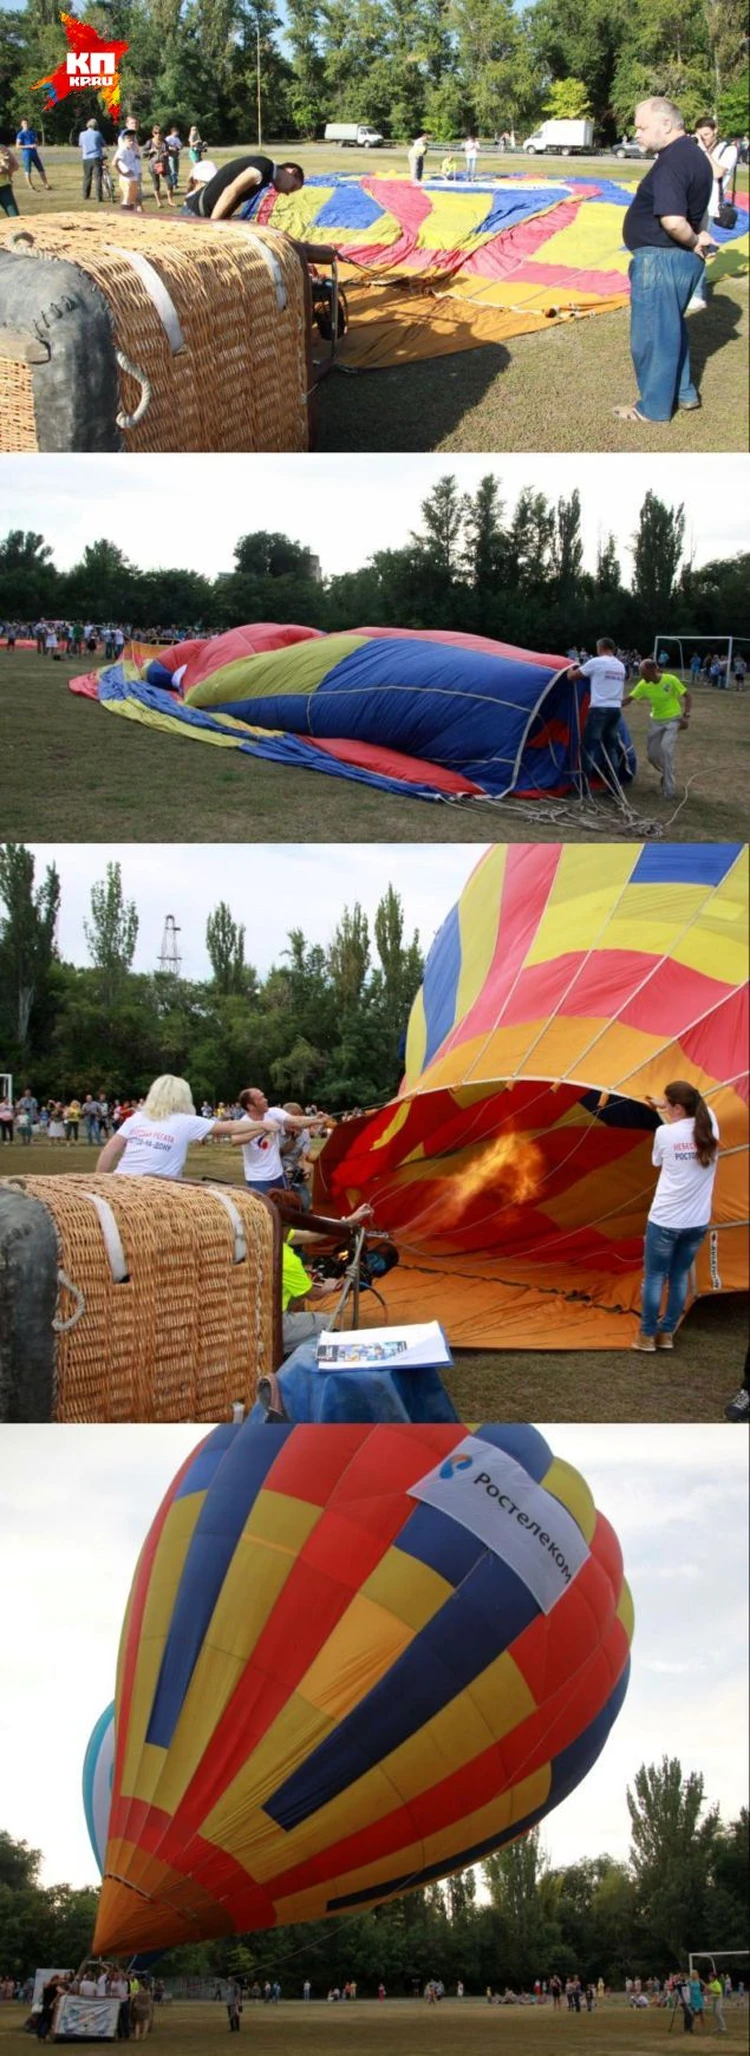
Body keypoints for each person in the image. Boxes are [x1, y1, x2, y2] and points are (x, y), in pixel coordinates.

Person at [617, 97, 714, 423]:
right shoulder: (696, 157)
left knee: (652, 337)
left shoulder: (673, 161)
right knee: (672, 329)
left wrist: (694, 241)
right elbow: (697, 211)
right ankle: (684, 393)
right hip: (677, 261)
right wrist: (697, 240)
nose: (637, 133)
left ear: (667, 124)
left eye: (643, 127)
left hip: (661, 260)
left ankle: (653, 409)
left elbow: (673, 220)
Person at [632, 1080, 720, 1352]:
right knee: (679, 1276)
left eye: (668, 1106)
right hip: (696, 1222)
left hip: (665, 1219)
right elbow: (702, 1104)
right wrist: (666, 1103)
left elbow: (656, 1162)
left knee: (655, 1277)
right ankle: (667, 1333)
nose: (665, 1110)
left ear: (679, 1108)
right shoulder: (712, 1127)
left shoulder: (664, 1133)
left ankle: (646, 1336)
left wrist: (667, 1114)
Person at [95, 1073, 272, 1178]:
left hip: (121, 1181)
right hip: (158, 1192)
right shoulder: (185, 1121)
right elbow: (232, 1127)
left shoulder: (138, 1117)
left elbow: (109, 1150)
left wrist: (100, 1181)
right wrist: (263, 1125)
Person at [687, 118, 739, 309]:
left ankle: (698, 294)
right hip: (692, 203)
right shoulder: (698, 147)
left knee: (698, 249)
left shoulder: (729, 150)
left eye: (707, 135)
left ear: (716, 130)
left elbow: (717, 172)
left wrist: (702, 150)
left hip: (709, 207)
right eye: (700, 136)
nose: (704, 139)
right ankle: (689, 289)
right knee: (688, 247)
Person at [233, 1088, 325, 1196]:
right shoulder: (244, 1122)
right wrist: (263, 1128)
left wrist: (317, 1119)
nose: (266, 1100)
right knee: (267, 1210)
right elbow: (235, 1140)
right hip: (258, 1178)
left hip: (278, 1174)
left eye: (264, 1096)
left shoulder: (273, 1113)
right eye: (261, 1098)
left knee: (287, 1206)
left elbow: (296, 1121)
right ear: (250, 1106)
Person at [622, 657, 691, 799]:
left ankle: (668, 791)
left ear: (653, 670)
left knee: (666, 749)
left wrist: (686, 716)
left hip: (673, 719)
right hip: (656, 721)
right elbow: (629, 699)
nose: (641, 676)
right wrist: (610, 705)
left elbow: (687, 696)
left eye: (643, 673)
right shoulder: (643, 684)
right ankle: (667, 772)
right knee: (652, 756)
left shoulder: (670, 680)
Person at [568, 637, 627, 792]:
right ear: (613, 649)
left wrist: (569, 668)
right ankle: (614, 786)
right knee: (611, 748)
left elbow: (573, 677)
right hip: (615, 709)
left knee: (589, 747)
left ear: (600, 648)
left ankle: (584, 786)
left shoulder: (596, 662)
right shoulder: (620, 666)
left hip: (599, 708)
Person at [182, 154, 304, 220]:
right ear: (292, 171)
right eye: (293, 187)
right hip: (195, 214)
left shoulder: (266, 176)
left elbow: (235, 198)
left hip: (201, 215)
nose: (288, 193)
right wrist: (213, 226)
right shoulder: (264, 166)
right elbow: (231, 191)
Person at [114, 119, 142, 212]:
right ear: (124, 140)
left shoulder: (131, 149)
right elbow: (114, 163)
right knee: (127, 196)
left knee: (132, 198)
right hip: (127, 177)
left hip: (134, 175)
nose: (131, 142)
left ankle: (131, 214)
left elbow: (136, 158)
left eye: (132, 140)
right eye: (129, 140)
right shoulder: (122, 149)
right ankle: (125, 215)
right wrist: (122, 173)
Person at [143, 125, 174, 208]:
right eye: (156, 133)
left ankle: (170, 201)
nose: (158, 134)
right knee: (157, 185)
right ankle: (159, 202)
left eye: (160, 133)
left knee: (170, 183)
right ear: (153, 133)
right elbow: (143, 154)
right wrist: (150, 151)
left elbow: (168, 152)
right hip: (153, 166)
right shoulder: (149, 142)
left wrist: (167, 153)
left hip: (164, 165)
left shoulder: (165, 142)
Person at [15, 120, 50, 190]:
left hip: (34, 153)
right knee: (28, 170)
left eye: (27, 123)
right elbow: (17, 146)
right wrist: (29, 146)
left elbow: (36, 142)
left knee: (41, 169)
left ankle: (46, 184)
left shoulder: (32, 132)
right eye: (24, 123)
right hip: (26, 154)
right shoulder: (20, 134)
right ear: (21, 124)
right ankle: (30, 186)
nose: (26, 124)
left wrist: (36, 144)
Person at [80, 118, 105, 201]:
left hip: (86, 158)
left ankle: (85, 195)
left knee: (87, 177)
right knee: (98, 177)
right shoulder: (98, 134)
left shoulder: (82, 134)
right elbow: (103, 143)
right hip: (96, 157)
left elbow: (80, 145)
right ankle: (99, 197)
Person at [0, 143, 20, 217]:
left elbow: (16, 165)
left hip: (4, 188)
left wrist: (7, 169)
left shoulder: (2, 148)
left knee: (15, 217)